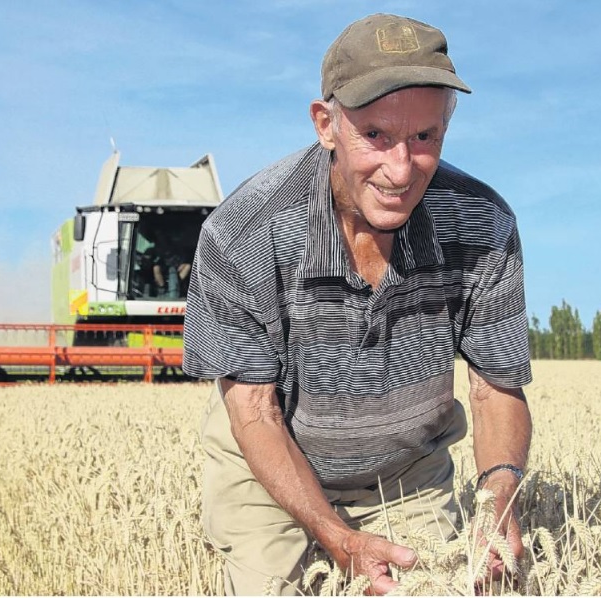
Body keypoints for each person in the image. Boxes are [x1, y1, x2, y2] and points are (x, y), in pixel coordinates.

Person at [182, 12, 533, 597]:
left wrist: (500, 497)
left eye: (425, 137)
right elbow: (254, 411)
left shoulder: (482, 223)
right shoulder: (245, 232)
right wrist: (336, 538)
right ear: (326, 124)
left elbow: (495, 385)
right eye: (375, 135)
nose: (401, 169)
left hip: (407, 473)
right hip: (270, 466)